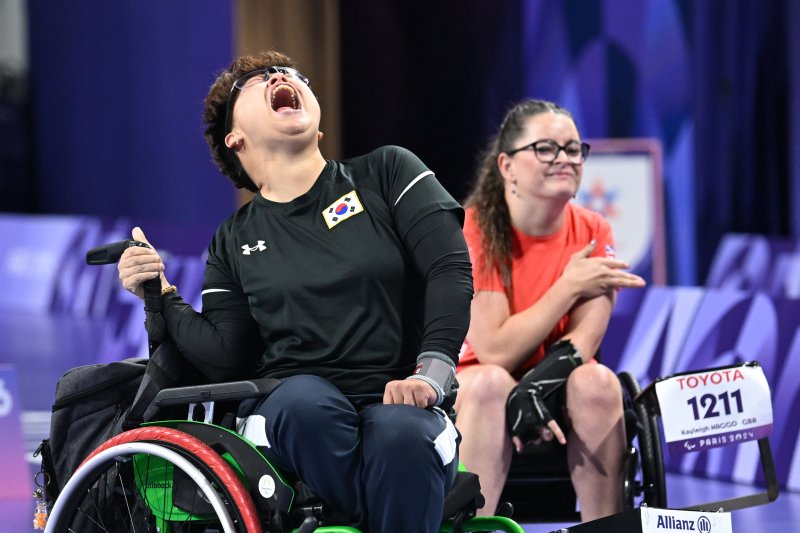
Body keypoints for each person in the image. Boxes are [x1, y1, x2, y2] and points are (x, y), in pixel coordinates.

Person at [117, 50, 474, 533]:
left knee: (401, 434)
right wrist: (161, 293)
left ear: (319, 126)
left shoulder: (388, 172)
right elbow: (227, 356)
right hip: (293, 415)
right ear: (235, 138)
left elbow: (449, 267)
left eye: (291, 74)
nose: (281, 77)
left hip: (404, 397)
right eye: (257, 79)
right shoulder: (233, 240)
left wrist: (431, 374)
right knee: (305, 401)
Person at [454, 99, 647, 522]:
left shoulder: (594, 230)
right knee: (490, 383)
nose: (564, 159)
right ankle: (475, 527)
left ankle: (605, 528)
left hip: (556, 382)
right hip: (479, 385)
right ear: (507, 166)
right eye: (546, 148)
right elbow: (496, 350)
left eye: (574, 149)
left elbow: (584, 341)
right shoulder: (476, 228)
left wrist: (535, 388)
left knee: (597, 381)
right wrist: (570, 285)